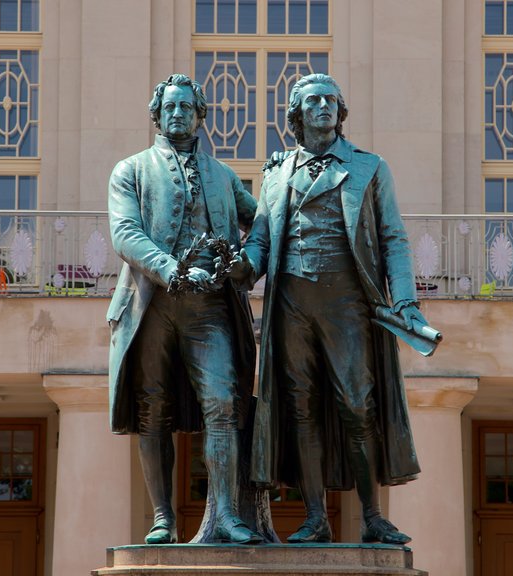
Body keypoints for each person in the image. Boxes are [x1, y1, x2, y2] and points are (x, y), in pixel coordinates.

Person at [243, 73, 425, 545]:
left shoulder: (369, 167)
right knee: (300, 409)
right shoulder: (276, 172)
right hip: (291, 305)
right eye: (312, 100)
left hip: (347, 304)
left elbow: (394, 240)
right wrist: (235, 270)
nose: (323, 106)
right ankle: (314, 517)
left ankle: (372, 516)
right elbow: (260, 241)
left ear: (340, 112)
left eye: (331, 100)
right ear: (297, 114)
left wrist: (404, 299)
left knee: (356, 404)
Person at [107, 73, 261, 545]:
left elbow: (262, 226)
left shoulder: (224, 175)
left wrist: (245, 264)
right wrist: (171, 269)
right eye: (169, 107)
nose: (178, 114)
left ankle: (228, 515)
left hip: (210, 307)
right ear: (157, 115)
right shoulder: (129, 170)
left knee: (222, 402)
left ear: (200, 115)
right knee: (153, 410)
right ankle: (163, 517)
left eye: (186, 107)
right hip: (151, 304)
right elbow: (126, 234)